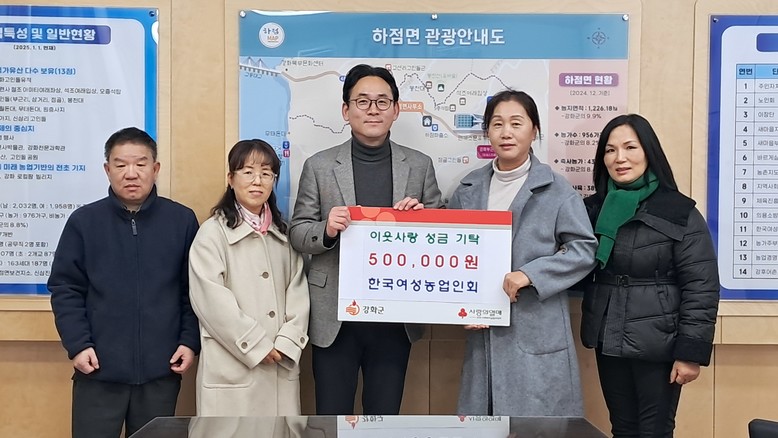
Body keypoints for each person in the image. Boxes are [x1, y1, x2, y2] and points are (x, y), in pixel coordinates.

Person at [289, 64, 443, 415]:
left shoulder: (419, 165)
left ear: (396, 110)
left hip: (395, 315)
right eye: (362, 101)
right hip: (335, 315)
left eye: (382, 101)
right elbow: (297, 232)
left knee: (384, 418)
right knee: (332, 417)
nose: (373, 109)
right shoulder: (319, 166)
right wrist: (326, 229)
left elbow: (441, 231)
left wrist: (422, 220)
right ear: (346, 111)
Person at [449, 90, 597, 416]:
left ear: (534, 131)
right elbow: (452, 255)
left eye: (516, 123)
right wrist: (462, 306)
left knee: (537, 427)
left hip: (536, 328)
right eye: (497, 124)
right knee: (482, 425)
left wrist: (531, 274)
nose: (506, 132)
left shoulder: (557, 189)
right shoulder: (468, 189)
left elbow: (584, 250)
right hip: (483, 333)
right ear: (487, 132)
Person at [48, 127, 200, 438]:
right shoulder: (84, 222)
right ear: (108, 170)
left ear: (155, 168)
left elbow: (193, 290)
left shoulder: (182, 221)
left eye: (141, 164)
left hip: (161, 371)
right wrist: (78, 345)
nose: (131, 173)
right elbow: (66, 289)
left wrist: (189, 340)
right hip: (97, 369)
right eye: (121, 165)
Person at [580, 114, 720, 437]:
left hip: (660, 343)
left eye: (630, 147)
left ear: (649, 152)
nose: (620, 158)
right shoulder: (592, 209)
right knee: (622, 428)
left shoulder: (679, 211)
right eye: (610, 150)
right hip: (608, 338)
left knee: (655, 431)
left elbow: (701, 287)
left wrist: (690, 353)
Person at [188, 139, 309, 416]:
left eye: (266, 173)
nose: (257, 181)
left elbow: (299, 291)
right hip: (233, 366)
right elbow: (210, 301)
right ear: (231, 179)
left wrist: (287, 343)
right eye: (247, 172)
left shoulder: (283, 234)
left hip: (280, 363)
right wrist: (255, 344)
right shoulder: (212, 234)